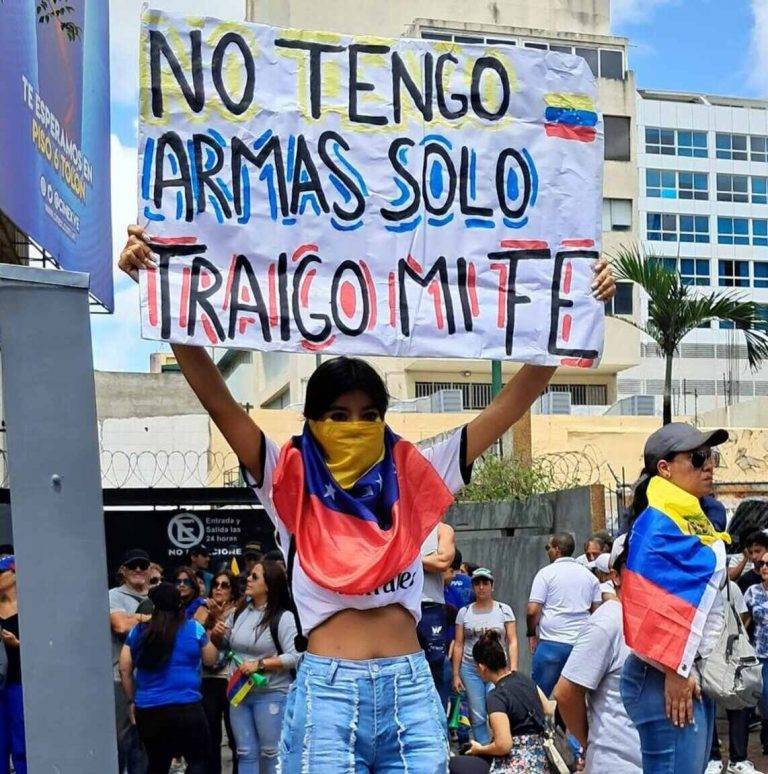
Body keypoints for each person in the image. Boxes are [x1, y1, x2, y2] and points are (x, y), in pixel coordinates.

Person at [118, 224, 615, 772]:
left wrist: (575, 306)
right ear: (312, 420)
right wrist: (161, 290)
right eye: (337, 415)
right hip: (326, 696)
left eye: (367, 415)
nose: (353, 426)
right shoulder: (288, 481)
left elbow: (511, 404)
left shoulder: (417, 474)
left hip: (410, 692)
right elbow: (219, 401)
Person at [620, 422, 730, 774]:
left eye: (710, 456)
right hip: (665, 675)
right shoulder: (658, 522)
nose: (708, 465)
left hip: (681, 671)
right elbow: (646, 602)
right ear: (664, 469)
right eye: (697, 457)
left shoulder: (687, 518)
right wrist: (676, 670)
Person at [554, 536, 642, 773]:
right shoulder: (609, 620)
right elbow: (566, 693)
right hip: (617, 764)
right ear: (616, 576)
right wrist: (589, 742)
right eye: (637, 566)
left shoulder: (657, 621)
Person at [119, 582, 218, 774]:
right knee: (198, 759)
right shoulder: (193, 628)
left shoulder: (138, 631)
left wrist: (132, 700)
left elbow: (124, 669)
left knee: (157, 763)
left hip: (148, 709)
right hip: (187, 707)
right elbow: (210, 659)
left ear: (153, 606)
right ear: (179, 604)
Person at [220, 560, 298, 774]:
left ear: (270, 585)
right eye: (249, 575)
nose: (248, 579)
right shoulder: (239, 612)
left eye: (255, 577)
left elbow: (296, 656)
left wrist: (261, 664)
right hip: (239, 693)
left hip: (272, 693)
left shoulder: (284, 617)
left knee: (271, 753)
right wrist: (218, 633)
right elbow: (226, 643)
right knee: (244, 752)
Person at [449, 631, 549, 774]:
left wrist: (480, 749)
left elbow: (504, 745)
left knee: (454, 765)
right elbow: (548, 708)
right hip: (541, 758)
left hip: (518, 765)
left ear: (482, 667)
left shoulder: (496, 697)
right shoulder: (524, 678)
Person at [526, 533, 601, 696]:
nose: (547, 552)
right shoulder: (589, 576)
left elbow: (532, 610)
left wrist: (531, 633)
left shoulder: (545, 574)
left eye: (548, 548)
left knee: (538, 696)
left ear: (557, 550)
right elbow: (596, 613)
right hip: (582, 646)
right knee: (577, 698)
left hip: (551, 645)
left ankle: (539, 722)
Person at [453, 569, 517, 744]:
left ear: (492, 586)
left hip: (497, 668)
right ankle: (483, 749)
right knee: (478, 713)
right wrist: (456, 674)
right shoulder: (464, 612)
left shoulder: (504, 610)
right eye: (477, 584)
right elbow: (458, 644)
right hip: (471, 669)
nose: (481, 588)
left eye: (485, 583)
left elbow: (512, 641)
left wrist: (514, 667)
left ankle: (501, 744)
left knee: (497, 709)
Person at [707, 579, 760, 774]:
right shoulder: (695, 582)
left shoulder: (732, 587)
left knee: (739, 702)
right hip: (704, 656)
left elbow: (743, 617)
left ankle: (739, 759)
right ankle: (712, 757)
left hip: (730, 655)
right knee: (707, 706)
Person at [109, 548, 151, 774]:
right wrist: (150, 619)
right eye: (133, 565)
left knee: (145, 742)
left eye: (142, 565)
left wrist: (134, 618)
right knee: (121, 741)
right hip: (120, 678)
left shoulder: (157, 594)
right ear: (123, 570)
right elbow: (121, 626)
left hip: (153, 678)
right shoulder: (114, 596)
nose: (138, 569)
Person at [201, 571, 240, 774]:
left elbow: (232, 644)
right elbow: (202, 645)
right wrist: (210, 617)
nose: (219, 588)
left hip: (231, 678)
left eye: (225, 585)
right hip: (208, 679)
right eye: (216, 584)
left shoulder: (240, 612)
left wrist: (219, 618)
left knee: (236, 737)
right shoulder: (202, 609)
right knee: (210, 736)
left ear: (232, 590)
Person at [419, 522, 456, 708]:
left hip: (431, 606)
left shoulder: (442, 529)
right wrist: (427, 560)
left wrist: (407, 557)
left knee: (436, 664)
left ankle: (439, 724)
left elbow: (442, 562)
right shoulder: (396, 522)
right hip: (400, 606)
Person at [0, 555, 25, 774]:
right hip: (2, 683)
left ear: (14, 573)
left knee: (20, 743)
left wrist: (17, 644)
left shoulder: (30, 609)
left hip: (18, 681)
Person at [744, 556, 768, 758]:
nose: (764, 567)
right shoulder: (752, 592)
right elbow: (744, 622)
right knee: (765, 698)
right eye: (761, 564)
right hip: (760, 654)